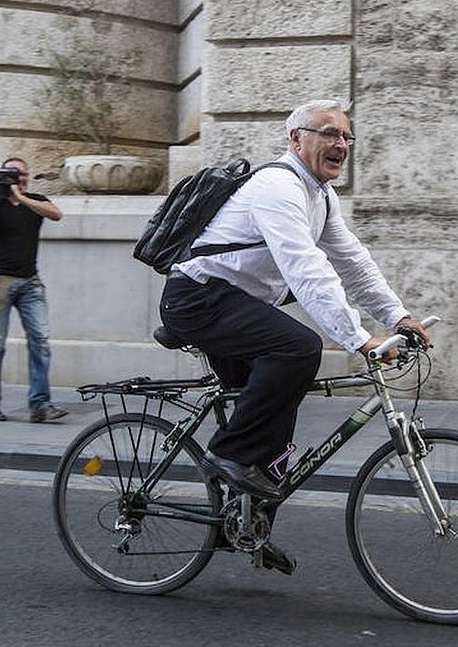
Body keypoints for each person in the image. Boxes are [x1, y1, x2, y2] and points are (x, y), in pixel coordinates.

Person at [159, 99, 429, 573]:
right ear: (295, 139)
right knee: (299, 348)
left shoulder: (320, 196)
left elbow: (353, 264)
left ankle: (243, 525)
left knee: (276, 424)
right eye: (328, 133)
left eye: (346, 136)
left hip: (238, 307)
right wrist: (358, 339)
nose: (340, 144)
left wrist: (399, 316)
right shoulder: (277, 187)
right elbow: (306, 270)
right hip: (197, 299)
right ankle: (229, 454)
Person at [0, 157, 69, 424]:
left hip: (30, 282)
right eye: (12, 174)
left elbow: (56, 213)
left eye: (22, 174)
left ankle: (40, 405)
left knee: (41, 342)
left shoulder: (33, 200)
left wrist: (20, 197)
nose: (18, 178)